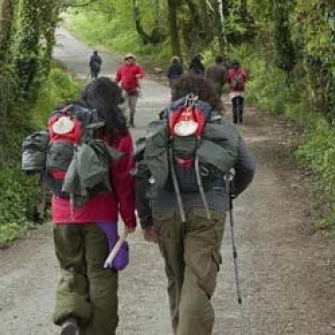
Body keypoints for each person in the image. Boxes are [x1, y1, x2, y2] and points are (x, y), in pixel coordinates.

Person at [135, 75, 256, 335]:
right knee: (197, 281)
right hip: (208, 208)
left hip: (166, 209)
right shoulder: (219, 125)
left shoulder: (162, 125)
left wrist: (145, 220)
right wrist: (229, 192)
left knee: (177, 279)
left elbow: (142, 173)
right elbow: (247, 166)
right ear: (210, 97)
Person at [49, 78, 137, 335]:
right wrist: (129, 218)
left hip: (63, 213)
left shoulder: (64, 122)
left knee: (70, 268)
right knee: (101, 274)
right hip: (100, 216)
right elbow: (123, 181)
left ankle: (70, 317)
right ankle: (99, 331)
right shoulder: (118, 132)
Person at [115, 53, 146, 128]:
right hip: (124, 89)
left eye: (131, 59)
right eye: (128, 59)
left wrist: (139, 75)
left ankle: (131, 120)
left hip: (134, 90)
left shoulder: (137, 67)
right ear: (125, 60)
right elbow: (118, 78)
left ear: (134, 60)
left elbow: (142, 74)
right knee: (123, 107)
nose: (130, 60)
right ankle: (125, 122)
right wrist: (113, 83)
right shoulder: (121, 68)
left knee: (132, 108)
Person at [226, 60, 249, 124]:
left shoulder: (230, 71)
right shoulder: (242, 71)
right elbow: (245, 79)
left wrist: (231, 84)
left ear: (232, 65)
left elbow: (228, 80)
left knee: (234, 105)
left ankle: (235, 119)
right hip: (241, 91)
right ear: (239, 65)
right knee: (240, 104)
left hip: (233, 91)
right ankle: (240, 117)